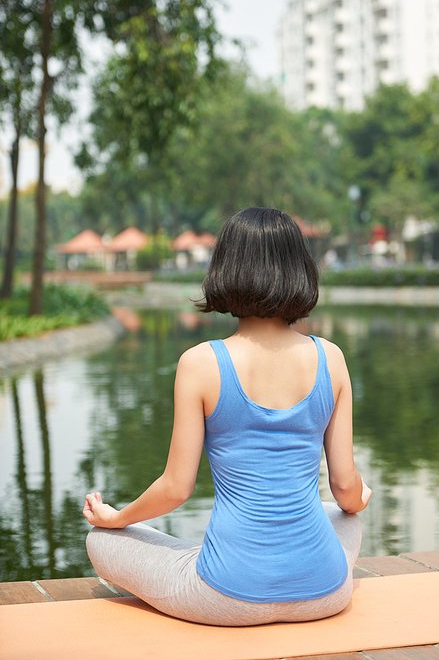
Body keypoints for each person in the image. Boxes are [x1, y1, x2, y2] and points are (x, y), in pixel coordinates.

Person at [83, 207, 371, 626]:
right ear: (301, 271)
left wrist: (117, 518)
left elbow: (176, 488)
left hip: (228, 596)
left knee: (102, 542)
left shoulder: (200, 364)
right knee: (341, 513)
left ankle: (203, 560)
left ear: (226, 269)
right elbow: (345, 487)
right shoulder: (331, 357)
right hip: (326, 593)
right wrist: (362, 496)